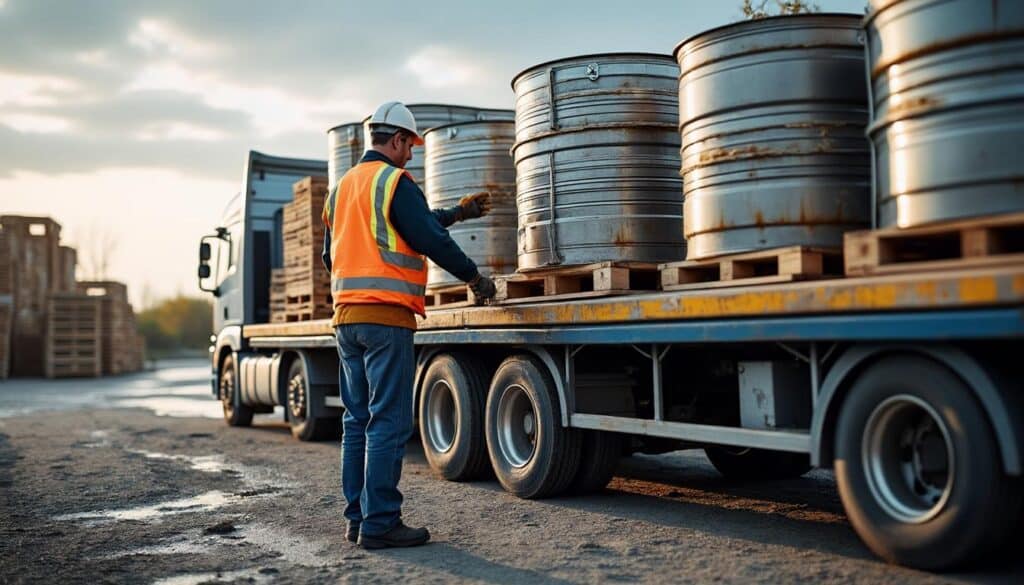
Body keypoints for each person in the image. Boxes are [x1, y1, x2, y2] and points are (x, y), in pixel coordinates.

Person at [321, 101, 497, 549]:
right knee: (388, 421)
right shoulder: (393, 182)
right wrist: (474, 278)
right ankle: (381, 523)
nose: (412, 156)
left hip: (346, 320)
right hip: (386, 319)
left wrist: (459, 212)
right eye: (410, 146)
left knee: (357, 420)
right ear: (397, 140)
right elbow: (427, 238)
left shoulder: (342, 189)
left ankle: (358, 520)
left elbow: (332, 255)